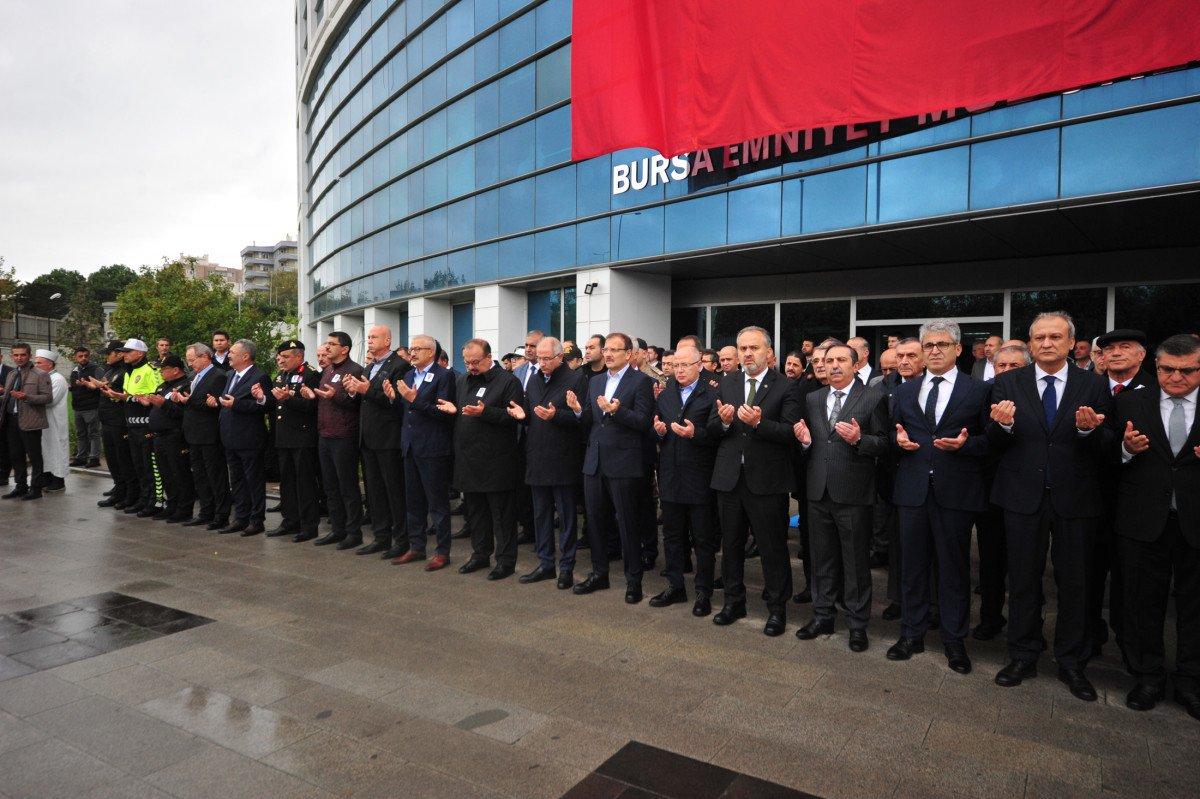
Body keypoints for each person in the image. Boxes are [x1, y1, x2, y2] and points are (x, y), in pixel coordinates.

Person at [987, 311, 1113, 702]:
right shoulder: (1007, 382)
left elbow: (1108, 444)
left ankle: (1072, 662)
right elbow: (991, 443)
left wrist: (1089, 431)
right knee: (1023, 579)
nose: (1046, 343)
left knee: (1074, 582)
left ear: (1071, 341)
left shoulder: (1092, 384)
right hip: (1021, 497)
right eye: (1038, 337)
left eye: (1054, 337)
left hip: (1075, 498)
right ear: (1029, 342)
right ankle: (1022, 654)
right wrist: (1002, 426)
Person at [885, 320, 991, 675]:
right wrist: (896, 442)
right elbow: (891, 435)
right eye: (928, 345)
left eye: (942, 344)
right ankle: (911, 634)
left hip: (956, 493)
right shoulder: (903, 392)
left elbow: (992, 441)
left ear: (958, 349)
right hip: (912, 491)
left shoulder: (977, 391)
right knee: (911, 567)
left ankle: (954, 640)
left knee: (953, 569)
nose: (934, 350)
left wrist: (967, 445)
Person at [1114, 333, 1200, 718]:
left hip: (1195, 522)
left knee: (1194, 607)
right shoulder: (1132, 401)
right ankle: (1147, 676)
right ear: (1156, 366)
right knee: (1143, 602)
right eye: (1167, 369)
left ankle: (1190, 680)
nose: (1176, 377)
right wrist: (1126, 449)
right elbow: (1106, 454)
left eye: (1187, 371)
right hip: (1145, 521)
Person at [795, 342, 888, 651]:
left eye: (840, 360)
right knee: (822, 559)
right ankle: (822, 615)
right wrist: (805, 443)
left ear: (855, 363)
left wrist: (861, 439)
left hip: (853, 494)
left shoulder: (872, 397)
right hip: (818, 492)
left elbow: (885, 443)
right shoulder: (813, 397)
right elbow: (810, 442)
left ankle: (857, 624)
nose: (833, 365)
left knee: (855, 563)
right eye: (828, 360)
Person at [708, 326, 801, 635]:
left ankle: (777, 609)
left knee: (772, 548)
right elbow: (711, 428)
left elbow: (790, 433)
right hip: (730, 478)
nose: (747, 353)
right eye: (743, 348)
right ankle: (734, 602)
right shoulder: (728, 381)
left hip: (767, 481)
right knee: (731, 545)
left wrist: (760, 423)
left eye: (754, 348)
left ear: (768, 353)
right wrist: (722, 422)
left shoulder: (785, 386)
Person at [570, 332, 654, 601]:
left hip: (624, 462)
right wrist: (576, 411)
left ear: (629, 354)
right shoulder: (595, 381)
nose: (607, 354)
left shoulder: (641, 381)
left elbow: (643, 422)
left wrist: (618, 411)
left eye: (614, 350)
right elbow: (591, 421)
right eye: (606, 349)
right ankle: (599, 573)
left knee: (627, 523)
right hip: (594, 461)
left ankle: (633, 580)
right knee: (595, 521)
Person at [1088, 328, 1155, 657]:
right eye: (1108, 348)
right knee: (1088, 574)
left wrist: (1126, 450)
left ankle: (1132, 649)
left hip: (1137, 506)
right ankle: (1090, 636)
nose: (1114, 353)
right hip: (1091, 501)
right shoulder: (1090, 388)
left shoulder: (1157, 391)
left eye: (1124, 347)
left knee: (1132, 581)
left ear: (1141, 355)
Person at [508, 337, 588, 588]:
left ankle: (566, 567)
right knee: (540, 514)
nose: (540, 362)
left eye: (545, 358)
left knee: (565, 517)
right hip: (536, 456)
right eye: (538, 358)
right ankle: (545, 563)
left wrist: (558, 415)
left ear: (559, 358)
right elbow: (532, 414)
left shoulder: (575, 379)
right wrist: (522, 417)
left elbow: (582, 419)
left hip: (563, 458)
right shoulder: (533, 379)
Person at [651, 343, 718, 615]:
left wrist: (696, 434)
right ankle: (675, 586)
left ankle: (703, 592)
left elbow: (717, 434)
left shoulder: (712, 393)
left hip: (699, 476)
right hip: (670, 475)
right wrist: (657, 431)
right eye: (675, 366)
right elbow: (654, 430)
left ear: (699, 366)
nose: (678, 370)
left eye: (684, 365)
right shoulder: (665, 395)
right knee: (672, 535)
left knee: (703, 538)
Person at [448, 339, 523, 580]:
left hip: (497, 461)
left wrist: (485, 412)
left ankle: (505, 561)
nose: (471, 366)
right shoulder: (462, 381)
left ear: (490, 357)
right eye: (467, 362)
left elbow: (515, 418)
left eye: (476, 362)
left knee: (501, 515)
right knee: (476, 512)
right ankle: (480, 554)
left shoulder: (508, 381)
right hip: (469, 459)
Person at [972, 343, 1029, 641]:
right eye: (1001, 366)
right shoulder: (984, 395)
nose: (1006, 372)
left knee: (1026, 563)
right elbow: (979, 439)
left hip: (1028, 491)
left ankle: (1028, 626)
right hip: (992, 490)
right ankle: (990, 617)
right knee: (991, 560)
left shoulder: (1035, 396)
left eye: (1014, 367)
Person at [389, 334, 456, 570]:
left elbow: (443, 413)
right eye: (411, 348)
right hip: (410, 446)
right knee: (413, 502)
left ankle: (442, 552)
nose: (412, 352)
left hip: (433, 448)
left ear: (431, 352)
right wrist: (394, 399)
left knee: (437, 504)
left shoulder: (444, 376)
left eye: (418, 349)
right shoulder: (408, 375)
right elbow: (407, 412)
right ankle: (416, 547)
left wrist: (414, 399)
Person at [343, 325, 410, 556]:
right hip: (368, 438)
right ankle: (381, 537)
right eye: (369, 337)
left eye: (374, 337)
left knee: (394, 492)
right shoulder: (370, 366)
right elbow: (366, 400)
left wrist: (366, 389)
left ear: (388, 340)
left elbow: (396, 401)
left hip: (388, 439)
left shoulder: (400, 366)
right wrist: (353, 390)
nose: (369, 341)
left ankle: (401, 540)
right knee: (375, 491)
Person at [305, 332, 366, 548]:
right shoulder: (327, 370)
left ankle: (353, 532)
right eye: (327, 343)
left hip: (344, 436)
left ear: (345, 349)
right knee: (330, 486)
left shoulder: (355, 371)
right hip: (325, 435)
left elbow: (357, 405)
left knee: (347, 486)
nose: (327, 347)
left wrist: (335, 396)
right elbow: (325, 400)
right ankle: (337, 529)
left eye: (332, 344)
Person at [267, 340, 322, 542]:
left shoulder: (310, 375)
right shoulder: (281, 376)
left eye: (286, 356)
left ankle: (309, 525)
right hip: (284, 438)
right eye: (280, 357)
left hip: (302, 437)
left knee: (305, 483)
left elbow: (312, 407)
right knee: (287, 482)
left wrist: (289, 399)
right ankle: (290, 520)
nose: (281, 360)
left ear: (299, 356)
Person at [216, 339, 271, 535]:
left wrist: (236, 404)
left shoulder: (260, 376)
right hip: (230, 437)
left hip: (249, 438)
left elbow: (264, 405)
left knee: (253, 480)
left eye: (232, 351)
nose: (228, 354)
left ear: (245, 356)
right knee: (237, 479)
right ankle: (240, 517)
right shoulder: (231, 375)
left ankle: (256, 520)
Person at [175, 343, 231, 530]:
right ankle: (206, 511)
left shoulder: (218, 376)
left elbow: (212, 404)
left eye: (192, 360)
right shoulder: (193, 377)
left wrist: (189, 401)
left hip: (209, 434)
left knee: (215, 475)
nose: (190, 364)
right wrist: (181, 400)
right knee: (199, 475)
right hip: (192, 433)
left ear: (205, 357)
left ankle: (221, 514)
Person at [114, 339, 162, 516]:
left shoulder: (151, 370)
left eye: (128, 351)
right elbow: (129, 396)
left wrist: (129, 397)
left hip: (146, 426)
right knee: (138, 466)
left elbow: (155, 396)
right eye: (123, 351)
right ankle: (143, 499)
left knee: (150, 466)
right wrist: (121, 396)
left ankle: (155, 501)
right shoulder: (129, 372)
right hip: (131, 425)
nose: (124, 355)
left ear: (140, 353)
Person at [145, 355, 193, 522]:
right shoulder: (162, 386)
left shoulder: (185, 385)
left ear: (175, 370)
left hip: (175, 435)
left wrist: (164, 404)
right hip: (159, 435)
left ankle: (184, 508)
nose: (161, 372)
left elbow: (185, 413)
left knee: (179, 472)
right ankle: (171, 505)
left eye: (163, 369)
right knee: (166, 473)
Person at [1, 343, 51, 501]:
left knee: (34, 456)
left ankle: (36, 489)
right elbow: (9, 397)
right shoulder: (11, 374)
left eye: (22, 355)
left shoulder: (40, 374)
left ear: (29, 356)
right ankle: (20, 486)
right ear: (12, 356)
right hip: (11, 420)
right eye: (15, 355)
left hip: (31, 420)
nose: (19, 358)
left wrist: (26, 397)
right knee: (16, 455)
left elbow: (47, 398)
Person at [92, 342, 136, 509]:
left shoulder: (126, 371)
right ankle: (119, 487)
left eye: (109, 353)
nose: (106, 357)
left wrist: (111, 392)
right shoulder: (111, 370)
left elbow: (127, 394)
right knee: (112, 458)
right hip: (107, 419)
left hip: (119, 421)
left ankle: (128, 493)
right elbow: (107, 385)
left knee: (122, 459)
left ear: (118, 353)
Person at [35, 350, 69, 493]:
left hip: (55, 421)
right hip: (43, 421)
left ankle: (58, 481)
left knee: (57, 450)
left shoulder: (58, 379)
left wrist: (29, 398)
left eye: (39, 363)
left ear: (49, 364)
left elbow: (50, 400)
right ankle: (47, 478)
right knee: (46, 450)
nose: (35, 365)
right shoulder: (42, 377)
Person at [68, 346, 102, 467]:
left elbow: (102, 385)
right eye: (80, 356)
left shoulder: (96, 369)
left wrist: (88, 385)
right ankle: (81, 457)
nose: (83, 358)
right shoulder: (75, 370)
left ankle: (94, 458)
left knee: (93, 433)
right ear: (75, 357)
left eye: (86, 356)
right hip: (77, 407)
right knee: (80, 433)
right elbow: (72, 386)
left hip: (91, 406)